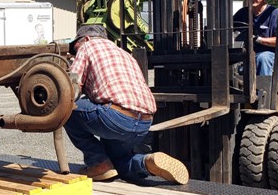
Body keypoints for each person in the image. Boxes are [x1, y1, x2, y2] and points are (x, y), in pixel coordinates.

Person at [64, 24, 189, 185]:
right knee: (118, 162)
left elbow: (71, 90)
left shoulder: (88, 46)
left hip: (115, 117)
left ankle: (97, 162)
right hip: (144, 122)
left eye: (75, 47)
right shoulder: (125, 54)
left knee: (66, 109)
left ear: (86, 38)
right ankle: (147, 162)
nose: (75, 52)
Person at [233, 0, 278, 75]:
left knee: (263, 58)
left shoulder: (274, 14)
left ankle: (264, 90)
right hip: (246, 53)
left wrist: (257, 39)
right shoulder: (242, 13)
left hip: (269, 54)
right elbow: (230, 29)